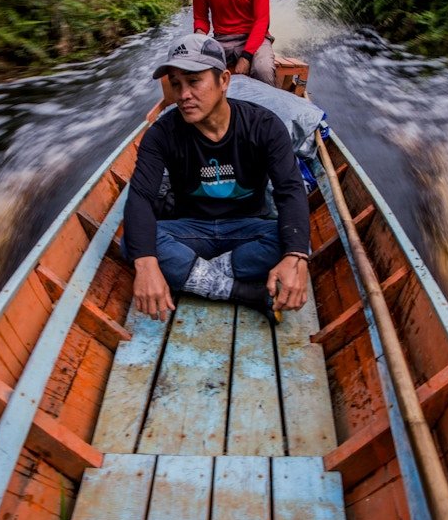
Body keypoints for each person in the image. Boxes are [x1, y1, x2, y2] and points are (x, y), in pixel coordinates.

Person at [124, 33, 310, 323]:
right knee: (137, 244)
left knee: (293, 240)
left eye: (194, 81)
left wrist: (296, 256)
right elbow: (140, 199)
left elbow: (290, 191)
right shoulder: (162, 133)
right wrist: (146, 264)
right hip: (191, 231)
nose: (183, 95)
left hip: (249, 228)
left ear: (224, 80)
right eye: (176, 84)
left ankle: (189, 274)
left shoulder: (264, 126)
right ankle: (243, 292)